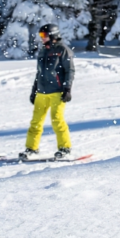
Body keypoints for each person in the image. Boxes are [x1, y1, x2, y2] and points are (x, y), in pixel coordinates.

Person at [21, 23, 74, 160]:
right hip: (42, 92)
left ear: (53, 35)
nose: (42, 38)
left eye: (44, 35)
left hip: (57, 91)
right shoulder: (43, 51)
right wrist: (34, 90)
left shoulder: (63, 50)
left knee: (57, 120)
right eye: (40, 35)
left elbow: (70, 70)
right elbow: (39, 73)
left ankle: (65, 148)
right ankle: (31, 149)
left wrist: (67, 88)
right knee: (36, 122)